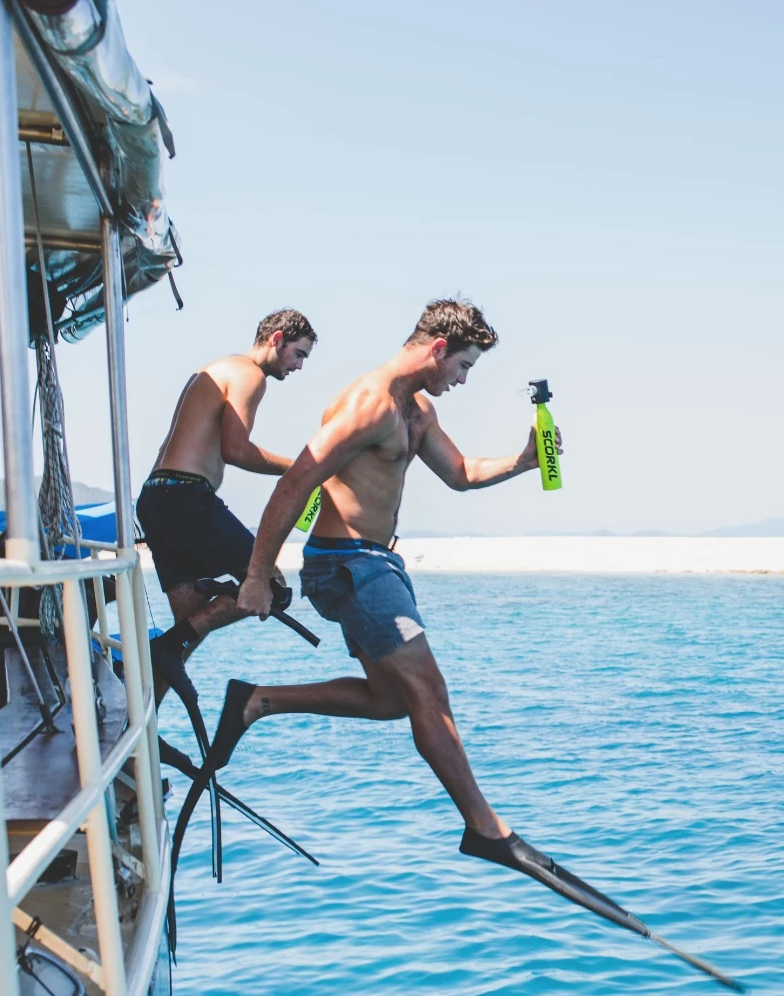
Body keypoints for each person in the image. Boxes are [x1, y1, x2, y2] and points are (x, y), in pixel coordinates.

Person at [200, 299, 545, 854]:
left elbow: (460, 474)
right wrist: (258, 575)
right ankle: (487, 830)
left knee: (393, 700)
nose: (461, 380)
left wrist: (523, 461)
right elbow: (295, 483)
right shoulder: (369, 405)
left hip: (379, 565)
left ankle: (256, 701)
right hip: (348, 564)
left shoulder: (417, 410)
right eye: (463, 367)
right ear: (438, 349)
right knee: (429, 692)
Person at [138, 309, 315, 691]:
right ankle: (165, 647)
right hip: (186, 497)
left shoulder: (215, 369)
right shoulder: (249, 375)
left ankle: (142, 718)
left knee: (190, 627)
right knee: (273, 586)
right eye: (299, 354)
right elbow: (236, 450)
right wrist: (302, 467)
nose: (299, 367)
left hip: (156, 499)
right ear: (277, 339)